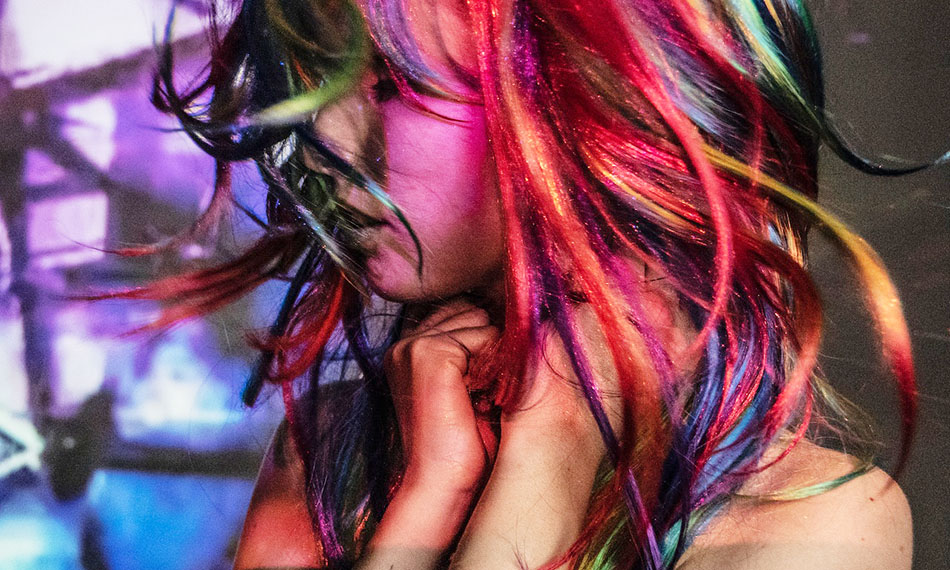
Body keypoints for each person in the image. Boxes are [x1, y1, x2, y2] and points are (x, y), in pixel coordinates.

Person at [141, 0, 918, 568]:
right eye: (313, 80)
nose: (321, 138)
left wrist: (548, 457)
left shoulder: (815, 521)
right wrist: (430, 500)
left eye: (392, 84)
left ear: (592, 91)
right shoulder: (328, 454)